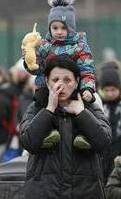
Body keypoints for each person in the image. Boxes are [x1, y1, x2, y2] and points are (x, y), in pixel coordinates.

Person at [19, 55, 111, 198]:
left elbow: (103, 142)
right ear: (47, 82)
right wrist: (49, 109)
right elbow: (28, 142)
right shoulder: (37, 107)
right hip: (44, 192)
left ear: (77, 82)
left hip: (85, 192)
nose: (60, 85)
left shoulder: (90, 107)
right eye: (55, 80)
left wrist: (81, 113)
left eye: (67, 80)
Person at [22, 0, 96, 149]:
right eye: (55, 28)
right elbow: (37, 69)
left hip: (72, 88)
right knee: (41, 102)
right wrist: (29, 61)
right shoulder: (44, 46)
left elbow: (87, 69)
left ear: (71, 28)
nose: (59, 32)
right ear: (49, 28)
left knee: (80, 106)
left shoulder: (80, 47)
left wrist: (88, 88)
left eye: (63, 28)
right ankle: (48, 132)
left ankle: (82, 135)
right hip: (46, 86)